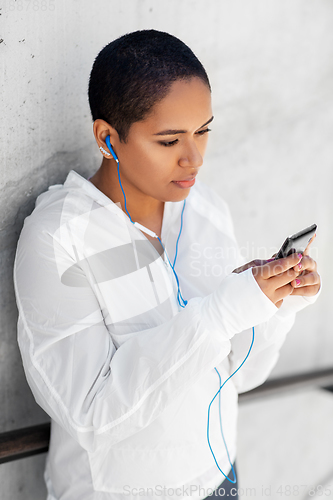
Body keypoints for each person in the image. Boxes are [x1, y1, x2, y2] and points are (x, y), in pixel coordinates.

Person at [14, 30, 321, 500]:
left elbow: (239, 375)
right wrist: (222, 312)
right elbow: (92, 414)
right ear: (108, 138)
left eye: (203, 131)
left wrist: (275, 305)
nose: (194, 158)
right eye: (169, 139)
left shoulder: (204, 210)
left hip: (220, 478)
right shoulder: (60, 238)